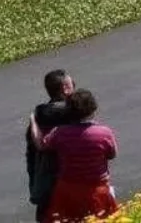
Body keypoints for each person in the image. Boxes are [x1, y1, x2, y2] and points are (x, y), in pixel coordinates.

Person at [27, 87, 119, 220]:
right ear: (93, 109)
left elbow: (41, 145)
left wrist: (34, 122)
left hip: (68, 188)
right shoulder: (104, 133)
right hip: (97, 188)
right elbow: (112, 154)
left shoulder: (59, 133)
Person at [26, 69, 74, 221]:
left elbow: (31, 154)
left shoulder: (38, 117)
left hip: (44, 181)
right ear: (65, 88)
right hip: (70, 179)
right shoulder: (72, 113)